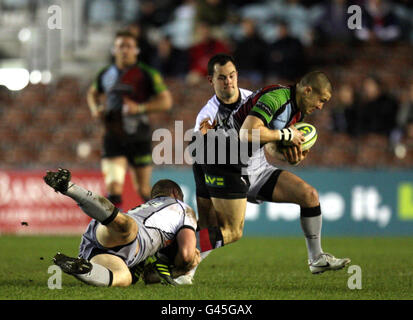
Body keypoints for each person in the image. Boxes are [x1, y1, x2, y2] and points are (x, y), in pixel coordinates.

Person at [180, 64, 350, 284]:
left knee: (309, 196)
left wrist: (288, 155)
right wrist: (285, 134)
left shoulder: (296, 112)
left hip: (252, 165)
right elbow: (248, 131)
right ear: (307, 90)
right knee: (228, 230)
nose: (320, 106)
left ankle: (316, 257)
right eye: (321, 100)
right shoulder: (277, 98)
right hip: (223, 157)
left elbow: (270, 144)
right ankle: (175, 259)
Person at [44, 168, 199, 287]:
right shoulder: (183, 208)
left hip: (105, 239)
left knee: (125, 277)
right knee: (128, 230)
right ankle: (68, 187)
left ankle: (83, 268)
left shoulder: (146, 207)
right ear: (176, 194)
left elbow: (148, 277)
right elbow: (186, 255)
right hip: (126, 238)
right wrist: (184, 266)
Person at [86, 30, 173, 210]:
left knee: (142, 189)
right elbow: (92, 93)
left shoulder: (147, 74)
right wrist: (96, 108)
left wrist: (140, 108)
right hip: (113, 134)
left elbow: (166, 101)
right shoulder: (105, 73)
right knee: (113, 188)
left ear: (136, 50)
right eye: (120, 46)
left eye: (129, 46)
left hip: (139, 135)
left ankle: (162, 223)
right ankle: (115, 233)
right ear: (113, 50)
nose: (124, 50)